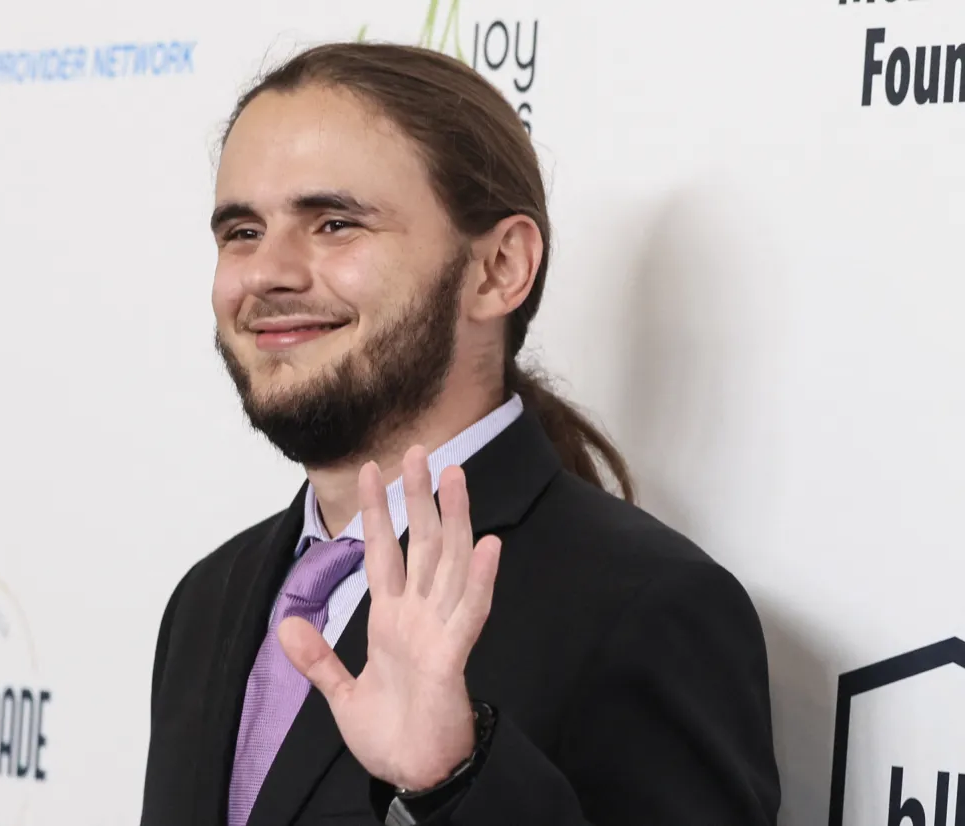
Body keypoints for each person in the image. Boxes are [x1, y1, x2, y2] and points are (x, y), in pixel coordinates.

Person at [139, 42, 781, 826]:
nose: (266, 273)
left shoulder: (649, 608)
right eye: (241, 232)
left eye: (335, 223)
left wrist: (453, 778)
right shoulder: (210, 600)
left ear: (498, 268)